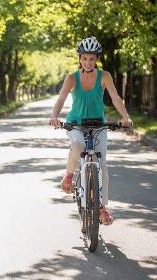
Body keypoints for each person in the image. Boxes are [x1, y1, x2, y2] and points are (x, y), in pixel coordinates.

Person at [49, 36, 133, 225]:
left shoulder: (105, 76)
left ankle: (102, 208)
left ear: (96, 59)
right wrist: (55, 116)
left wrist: (125, 116)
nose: (88, 62)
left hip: (98, 125)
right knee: (78, 144)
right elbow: (61, 99)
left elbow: (115, 97)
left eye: (92, 58)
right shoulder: (72, 78)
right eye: (85, 58)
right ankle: (69, 176)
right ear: (79, 58)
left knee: (102, 166)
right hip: (76, 124)